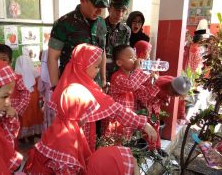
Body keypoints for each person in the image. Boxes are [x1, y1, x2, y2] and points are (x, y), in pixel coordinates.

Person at [23, 43, 157, 174]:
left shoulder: (70, 82)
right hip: (72, 142)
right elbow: (115, 109)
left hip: (70, 138)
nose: (98, 70)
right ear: (83, 65)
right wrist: (142, 123)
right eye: (96, 66)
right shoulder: (81, 87)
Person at [48, 0, 108, 89]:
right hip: (72, 87)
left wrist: (103, 80)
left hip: (96, 85)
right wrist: (55, 87)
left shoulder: (101, 23)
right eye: (96, 6)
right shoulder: (63, 23)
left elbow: (102, 51)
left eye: (102, 7)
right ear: (82, 0)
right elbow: (53, 57)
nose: (99, 12)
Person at [103, 45, 157, 139]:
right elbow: (131, 85)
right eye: (131, 58)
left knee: (125, 143)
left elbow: (145, 94)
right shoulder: (117, 77)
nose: (136, 60)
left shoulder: (132, 77)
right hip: (116, 121)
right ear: (119, 63)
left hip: (127, 120)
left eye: (135, 57)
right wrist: (139, 70)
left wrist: (152, 79)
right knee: (113, 145)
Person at [136, 75, 191, 156]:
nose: (174, 96)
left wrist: (182, 116)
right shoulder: (158, 84)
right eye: (174, 93)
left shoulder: (175, 85)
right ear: (170, 85)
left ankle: (157, 148)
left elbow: (181, 103)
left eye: (177, 94)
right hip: (144, 104)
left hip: (155, 104)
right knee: (149, 126)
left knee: (156, 125)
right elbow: (143, 98)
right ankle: (150, 148)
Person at [0, 43, 31, 149]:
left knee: (11, 143)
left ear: (10, 62)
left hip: (11, 118)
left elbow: (26, 95)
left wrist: (16, 111)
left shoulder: (16, 78)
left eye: (3, 59)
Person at [15, 55, 44, 142]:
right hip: (34, 95)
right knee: (34, 114)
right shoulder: (35, 72)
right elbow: (39, 85)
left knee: (24, 116)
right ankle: (32, 135)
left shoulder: (16, 73)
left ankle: (22, 137)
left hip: (22, 98)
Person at [105, 0, 131, 82]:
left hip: (117, 72)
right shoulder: (99, 26)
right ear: (109, 9)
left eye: (123, 11)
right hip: (100, 70)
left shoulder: (126, 30)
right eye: (117, 10)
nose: (120, 14)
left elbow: (125, 52)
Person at [38, 49, 54, 131]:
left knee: (49, 120)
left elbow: (40, 88)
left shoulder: (43, 74)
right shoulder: (60, 70)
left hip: (48, 99)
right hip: (60, 100)